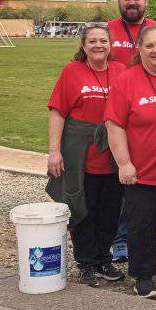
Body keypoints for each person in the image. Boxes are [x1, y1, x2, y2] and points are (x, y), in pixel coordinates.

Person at [105, 25, 156, 298]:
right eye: (150, 46)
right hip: (141, 171)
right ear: (139, 49)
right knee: (140, 224)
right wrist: (124, 163)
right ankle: (143, 276)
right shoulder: (126, 79)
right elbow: (114, 123)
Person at [106, 0, 156, 262]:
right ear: (119, 0)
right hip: (119, 111)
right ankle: (120, 240)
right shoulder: (109, 31)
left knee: (148, 191)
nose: (132, 2)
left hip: (154, 113)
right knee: (122, 186)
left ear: (145, 0)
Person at [46, 22, 126, 286]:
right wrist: (54, 151)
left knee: (110, 212)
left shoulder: (120, 71)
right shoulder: (72, 71)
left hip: (112, 156)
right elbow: (58, 112)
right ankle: (87, 263)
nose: (98, 46)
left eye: (103, 41)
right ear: (83, 45)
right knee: (82, 210)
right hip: (80, 156)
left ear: (110, 45)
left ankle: (104, 258)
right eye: (92, 41)